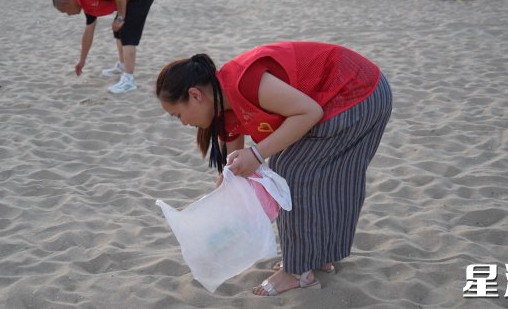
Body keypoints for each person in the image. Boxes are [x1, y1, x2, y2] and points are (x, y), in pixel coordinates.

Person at [154, 42, 392, 297]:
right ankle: (317, 255)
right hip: (356, 92)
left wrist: (256, 154)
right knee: (324, 176)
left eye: (178, 114)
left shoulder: (242, 82)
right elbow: (234, 169)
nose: (183, 122)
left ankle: (296, 272)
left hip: (358, 91)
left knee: (288, 170)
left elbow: (309, 112)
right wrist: (227, 188)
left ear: (195, 96)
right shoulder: (222, 111)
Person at [52, 0, 155, 94]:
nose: (68, 14)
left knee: (127, 33)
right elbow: (88, 32)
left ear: (67, 2)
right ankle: (122, 66)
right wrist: (82, 60)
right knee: (119, 30)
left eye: (64, 11)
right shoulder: (85, 3)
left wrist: (120, 17)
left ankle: (128, 80)